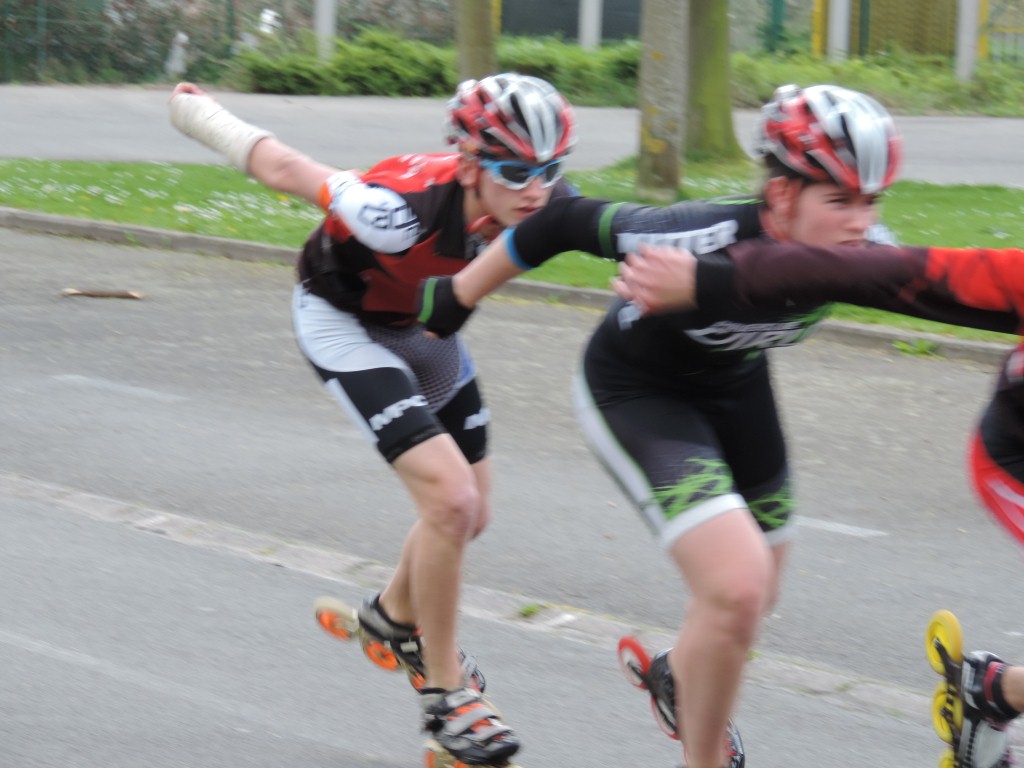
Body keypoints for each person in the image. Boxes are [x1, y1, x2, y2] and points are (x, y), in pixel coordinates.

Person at [417, 83, 902, 768]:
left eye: (873, 201)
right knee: (737, 586)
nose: (861, 223)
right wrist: (458, 295)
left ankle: (677, 676)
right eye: (840, 200)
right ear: (782, 194)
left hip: (736, 388)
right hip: (639, 390)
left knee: (756, 595)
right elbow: (560, 222)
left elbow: (966, 292)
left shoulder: (874, 252)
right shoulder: (696, 233)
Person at [167, 73, 577, 766]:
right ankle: (447, 696)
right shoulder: (393, 211)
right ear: (470, 165)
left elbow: (629, 229)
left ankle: (390, 618)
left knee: (472, 512)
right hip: (343, 321)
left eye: (551, 169)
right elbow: (284, 167)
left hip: (421, 329)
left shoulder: (548, 200)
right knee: (450, 500)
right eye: (515, 171)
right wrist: (196, 114)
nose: (536, 189)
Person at [611, 238, 1024, 768]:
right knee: (747, 584)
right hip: (1013, 456)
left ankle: (994, 692)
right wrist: (708, 279)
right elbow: (866, 269)